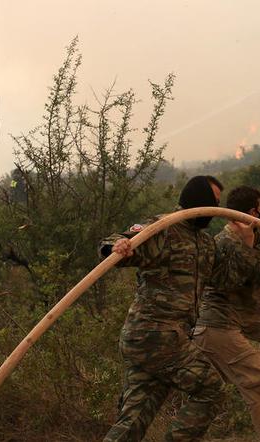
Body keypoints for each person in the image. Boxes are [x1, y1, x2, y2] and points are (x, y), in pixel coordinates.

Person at [100, 175, 225, 442]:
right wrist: (118, 246)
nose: (215, 208)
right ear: (197, 199)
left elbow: (231, 274)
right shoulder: (164, 228)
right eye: (212, 202)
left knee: (132, 423)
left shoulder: (204, 242)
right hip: (155, 336)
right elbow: (120, 241)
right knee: (211, 387)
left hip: (164, 341)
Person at [193, 186, 260, 442]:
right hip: (218, 329)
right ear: (253, 210)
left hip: (212, 330)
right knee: (259, 383)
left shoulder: (245, 230)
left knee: (205, 394)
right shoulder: (230, 242)